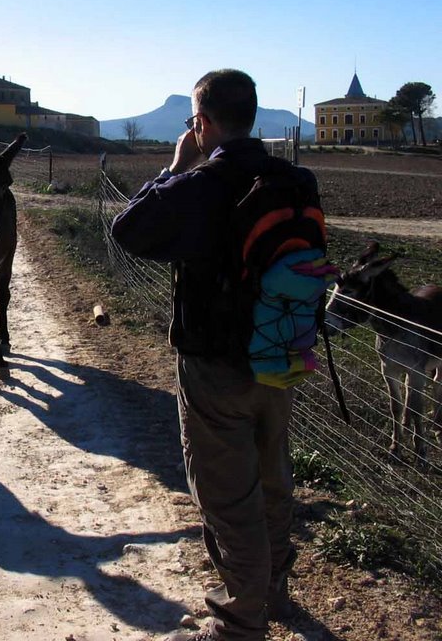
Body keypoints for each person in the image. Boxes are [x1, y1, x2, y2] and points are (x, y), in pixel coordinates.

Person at [111, 70, 316, 640]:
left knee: (228, 498)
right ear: (252, 114)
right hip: (282, 352)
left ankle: (236, 625)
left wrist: (176, 167)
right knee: (272, 477)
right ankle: (274, 588)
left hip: (215, 364)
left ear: (200, 124)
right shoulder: (295, 179)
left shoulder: (201, 184)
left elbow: (127, 230)